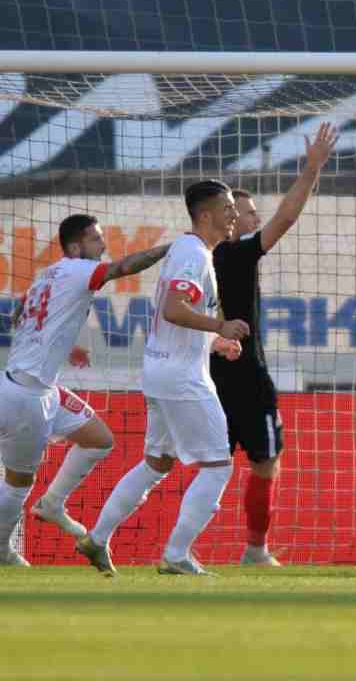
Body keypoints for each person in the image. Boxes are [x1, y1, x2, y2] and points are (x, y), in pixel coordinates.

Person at [75, 180, 249, 576]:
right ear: (205, 215)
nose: (233, 214)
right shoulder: (193, 253)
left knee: (157, 462)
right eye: (227, 208)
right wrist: (221, 325)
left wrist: (212, 342)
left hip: (162, 370)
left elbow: (178, 319)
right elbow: (174, 308)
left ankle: (97, 537)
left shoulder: (192, 251)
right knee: (218, 465)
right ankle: (176, 555)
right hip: (180, 377)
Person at [0, 215, 169, 565]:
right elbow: (123, 267)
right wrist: (171, 248)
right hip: (26, 397)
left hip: (39, 386)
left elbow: (22, 314)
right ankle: (2, 550)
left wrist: (64, 347)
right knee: (18, 482)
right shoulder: (79, 270)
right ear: (76, 247)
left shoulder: (49, 273)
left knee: (99, 438)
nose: (103, 245)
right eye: (96, 239)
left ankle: (52, 503)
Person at [210, 123, 338, 567]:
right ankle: (256, 550)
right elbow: (286, 217)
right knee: (266, 464)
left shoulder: (194, 256)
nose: (252, 217)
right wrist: (311, 170)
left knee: (203, 467)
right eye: (244, 212)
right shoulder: (237, 253)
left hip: (204, 377)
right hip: (245, 378)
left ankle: (178, 547)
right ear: (226, 220)